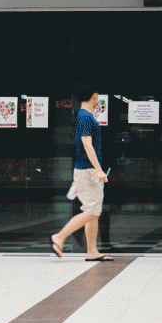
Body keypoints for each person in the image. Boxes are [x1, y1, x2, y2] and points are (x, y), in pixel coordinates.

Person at [50, 82, 111, 261]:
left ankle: (92, 251)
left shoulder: (87, 116)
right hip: (88, 170)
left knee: (94, 211)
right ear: (94, 95)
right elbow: (86, 143)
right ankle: (59, 237)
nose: (98, 97)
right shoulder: (85, 116)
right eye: (97, 94)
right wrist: (99, 170)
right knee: (92, 211)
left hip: (88, 170)